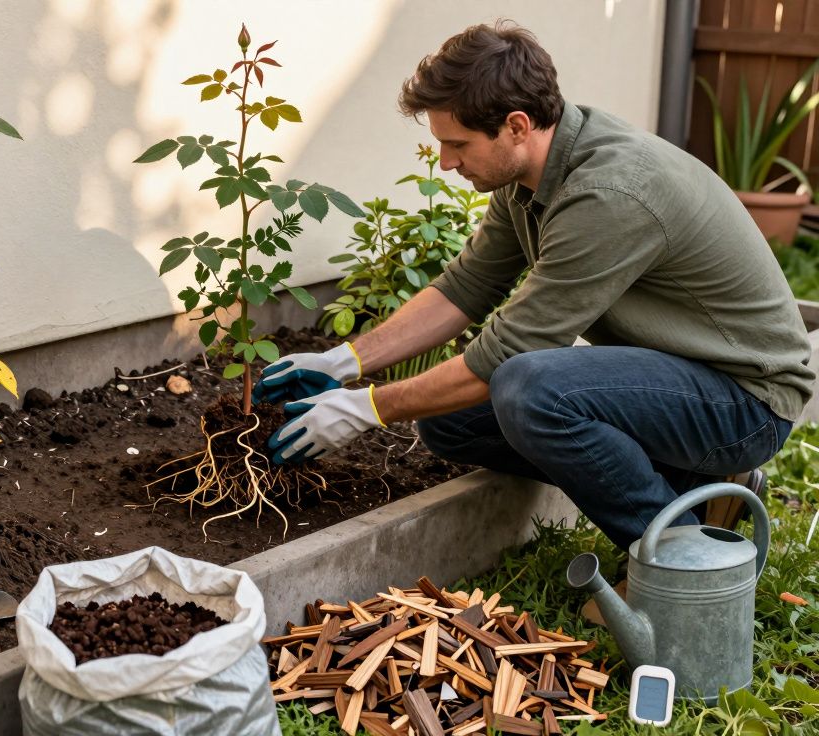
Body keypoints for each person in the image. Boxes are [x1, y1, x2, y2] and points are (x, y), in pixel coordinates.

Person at [255, 21, 814, 550]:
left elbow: (510, 351)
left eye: (459, 145)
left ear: (517, 125)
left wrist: (367, 409)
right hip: (677, 375)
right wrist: (344, 362)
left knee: (529, 387)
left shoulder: (610, 195)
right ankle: (695, 484)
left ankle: (678, 555)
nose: (446, 162)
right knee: (448, 422)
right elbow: (465, 287)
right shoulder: (529, 172)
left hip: (745, 401)